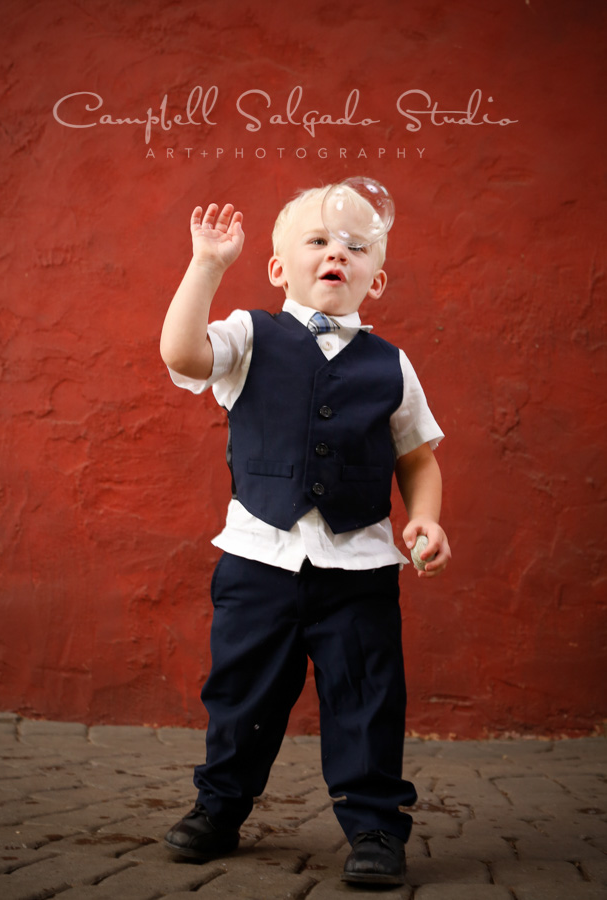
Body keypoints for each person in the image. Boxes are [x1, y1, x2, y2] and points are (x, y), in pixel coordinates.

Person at [159, 185, 451, 886]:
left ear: (373, 279)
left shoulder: (391, 365)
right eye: (317, 242)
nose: (335, 254)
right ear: (277, 268)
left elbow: (416, 456)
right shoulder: (247, 337)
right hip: (258, 561)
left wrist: (425, 515)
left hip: (359, 568)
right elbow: (182, 353)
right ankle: (218, 808)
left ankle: (375, 825)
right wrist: (205, 266)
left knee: (366, 698)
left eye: (354, 247)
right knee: (242, 697)